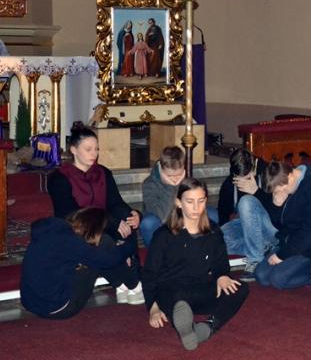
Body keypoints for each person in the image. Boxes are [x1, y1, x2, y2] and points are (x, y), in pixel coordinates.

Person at [142, 178, 249, 351]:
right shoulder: (164, 235)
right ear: (179, 202)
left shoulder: (213, 231)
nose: (196, 207)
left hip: (200, 288)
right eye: (190, 202)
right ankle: (185, 325)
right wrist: (153, 308)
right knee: (175, 299)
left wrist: (222, 276)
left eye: (201, 201)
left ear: (206, 201)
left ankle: (208, 326)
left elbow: (221, 263)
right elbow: (149, 273)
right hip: (172, 291)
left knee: (240, 288)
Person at [47, 122, 143, 304]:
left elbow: (115, 202)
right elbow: (70, 214)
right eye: (88, 149)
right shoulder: (59, 177)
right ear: (74, 150)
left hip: (104, 223)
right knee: (102, 241)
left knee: (128, 226)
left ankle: (123, 284)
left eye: (96, 149)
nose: (94, 154)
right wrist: (112, 222)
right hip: (76, 228)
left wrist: (133, 214)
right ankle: (131, 284)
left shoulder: (103, 172)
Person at [20, 207, 141, 319]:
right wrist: (129, 245)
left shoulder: (50, 232)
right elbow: (109, 260)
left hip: (31, 304)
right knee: (104, 244)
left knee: (98, 253)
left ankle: (122, 287)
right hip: (58, 308)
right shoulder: (69, 240)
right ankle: (134, 287)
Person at [254, 160, 311, 290]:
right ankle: (291, 265)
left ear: (290, 177)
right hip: (290, 243)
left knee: (278, 279)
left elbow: (309, 232)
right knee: (261, 276)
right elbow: (279, 225)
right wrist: (276, 207)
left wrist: (282, 255)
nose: (281, 194)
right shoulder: (286, 183)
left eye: (282, 190)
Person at [219, 149, 279, 280]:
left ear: (254, 167)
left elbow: (278, 210)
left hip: (272, 227)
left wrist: (256, 191)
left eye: (247, 177)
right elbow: (223, 217)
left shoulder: (269, 173)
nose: (243, 182)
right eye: (239, 179)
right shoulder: (229, 184)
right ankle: (263, 247)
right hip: (250, 230)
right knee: (217, 239)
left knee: (246, 201)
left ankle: (255, 259)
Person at [140, 146, 187, 246]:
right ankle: (156, 253)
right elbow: (162, 217)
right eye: (170, 176)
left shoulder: (186, 179)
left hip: (182, 223)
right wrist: (170, 186)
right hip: (161, 227)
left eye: (179, 175)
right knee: (148, 223)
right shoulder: (149, 184)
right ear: (161, 169)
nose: (175, 179)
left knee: (212, 214)